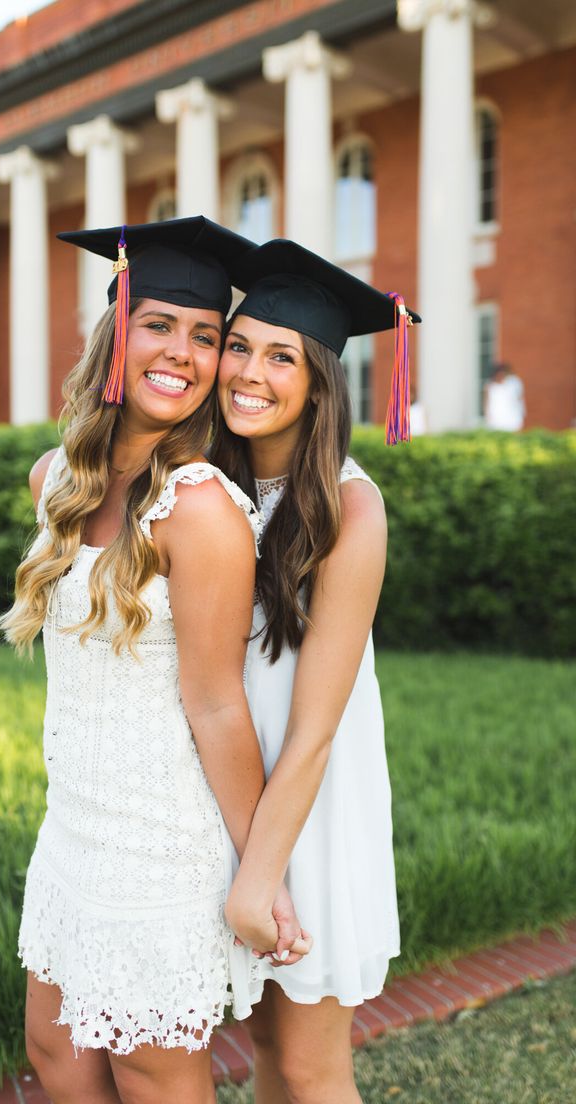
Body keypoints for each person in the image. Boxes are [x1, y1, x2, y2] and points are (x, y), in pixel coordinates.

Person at [0, 217, 308, 1104]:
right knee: (56, 1057)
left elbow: (217, 706)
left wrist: (262, 872)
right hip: (75, 831)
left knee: (149, 1073)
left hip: (160, 849)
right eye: (159, 324)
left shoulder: (200, 507)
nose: (182, 352)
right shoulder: (54, 480)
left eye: (205, 336)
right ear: (115, 337)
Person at [211, 239, 420, 1104]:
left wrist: (262, 876)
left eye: (281, 355)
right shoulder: (204, 486)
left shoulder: (348, 503)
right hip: (228, 793)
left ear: (321, 379)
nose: (249, 372)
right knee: (264, 1046)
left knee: (308, 1064)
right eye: (239, 344)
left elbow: (317, 725)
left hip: (311, 808)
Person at [484, 362, 526, 431]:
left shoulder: (514, 383)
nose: (501, 376)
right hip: (495, 420)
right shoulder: (490, 386)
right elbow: (486, 402)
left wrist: (521, 414)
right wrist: (487, 416)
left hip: (512, 419)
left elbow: (520, 399)